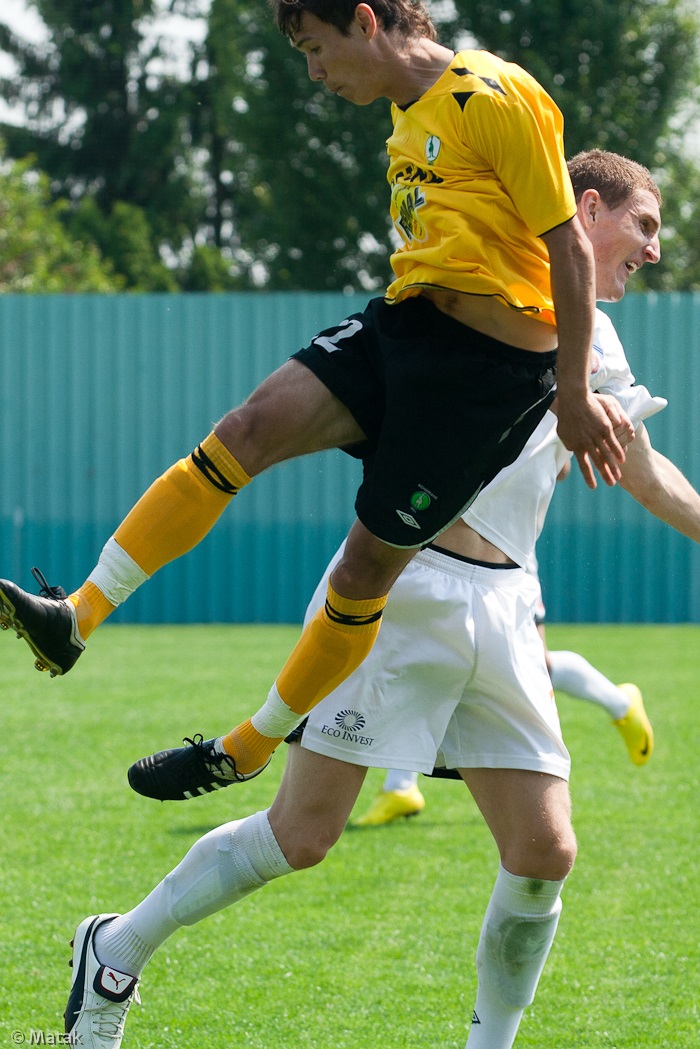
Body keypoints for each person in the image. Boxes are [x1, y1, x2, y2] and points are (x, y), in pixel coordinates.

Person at [64, 151, 700, 1049]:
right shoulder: (474, 284)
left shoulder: (599, 338)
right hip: (399, 588)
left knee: (544, 852)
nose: (656, 249)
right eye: (645, 224)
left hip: (507, 606)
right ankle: (116, 948)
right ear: (587, 207)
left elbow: (637, 464)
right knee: (302, 833)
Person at [0, 0, 625, 793]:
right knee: (244, 430)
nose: (313, 72)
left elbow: (569, 244)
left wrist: (572, 389)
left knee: (363, 572)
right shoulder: (406, 116)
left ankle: (248, 745)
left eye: (315, 48)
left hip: (486, 380)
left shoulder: (494, 95)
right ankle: (78, 615)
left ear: (365, 21)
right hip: (407, 325)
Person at [355, 536, 652, 828]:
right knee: (426, 658)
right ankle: (400, 786)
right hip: (434, 555)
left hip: (501, 557)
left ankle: (620, 703)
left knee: (535, 665)